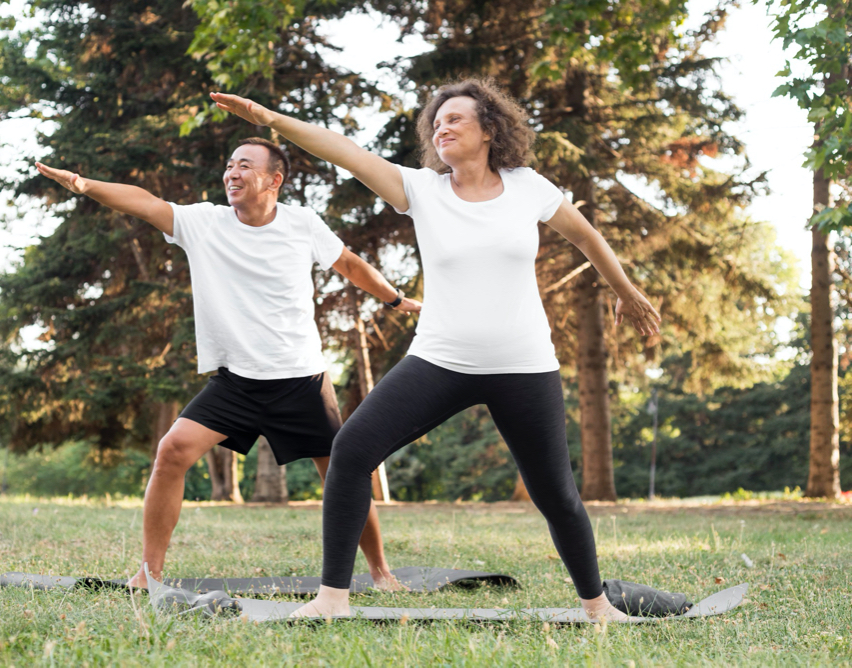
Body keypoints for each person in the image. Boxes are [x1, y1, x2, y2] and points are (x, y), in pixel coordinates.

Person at [211, 80, 661, 621]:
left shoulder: (527, 187)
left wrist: (626, 290)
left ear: (490, 129)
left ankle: (596, 606)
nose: (441, 128)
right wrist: (270, 118)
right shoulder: (421, 189)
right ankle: (332, 600)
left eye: (456, 120)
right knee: (351, 452)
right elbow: (346, 151)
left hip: (523, 365)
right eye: (436, 123)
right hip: (441, 361)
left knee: (557, 494)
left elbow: (587, 237)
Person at [35, 136, 421, 591]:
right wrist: (84, 184)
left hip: (301, 378)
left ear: (274, 180)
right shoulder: (204, 222)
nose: (232, 173)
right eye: (229, 164)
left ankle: (380, 572)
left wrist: (396, 300)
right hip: (237, 383)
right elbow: (144, 203)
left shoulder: (302, 223)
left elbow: (351, 265)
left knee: (342, 474)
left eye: (245, 166)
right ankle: (148, 572)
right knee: (171, 452)